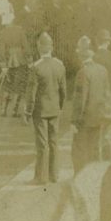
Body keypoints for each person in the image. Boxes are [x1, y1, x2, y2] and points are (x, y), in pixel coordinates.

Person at [28, 33, 67, 184]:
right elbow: (63, 91)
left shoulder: (36, 67)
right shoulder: (59, 65)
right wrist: (60, 107)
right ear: (51, 47)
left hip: (40, 110)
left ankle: (40, 177)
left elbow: (31, 94)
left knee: (42, 144)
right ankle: (54, 175)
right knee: (54, 142)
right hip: (55, 109)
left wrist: (27, 111)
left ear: (39, 47)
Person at [70, 36, 110, 174]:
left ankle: (80, 180)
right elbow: (106, 95)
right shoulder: (103, 70)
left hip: (84, 120)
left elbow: (80, 100)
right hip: (98, 117)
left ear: (81, 55)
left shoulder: (83, 72)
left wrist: (74, 121)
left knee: (79, 151)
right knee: (94, 150)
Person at [0, 8, 29, 117]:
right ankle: (14, 111)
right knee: (18, 85)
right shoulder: (20, 31)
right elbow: (26, 47)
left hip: (7, 61)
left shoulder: (2, 32)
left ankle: (3, 110)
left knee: (7, 85)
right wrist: (28, 60)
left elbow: (1, 49)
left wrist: (3, 64)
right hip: (20, 60)